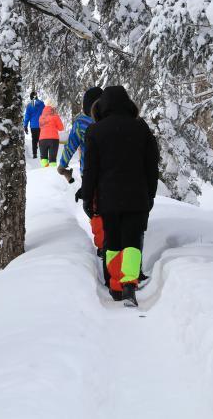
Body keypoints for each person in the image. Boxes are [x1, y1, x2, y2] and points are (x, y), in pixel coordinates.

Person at [81, 85, 159, 307]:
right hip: (137, 197)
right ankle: (129, 284)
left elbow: (90, 170)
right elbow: (152, 165)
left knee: (113, 242)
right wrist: (150, 195)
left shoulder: (95, 131)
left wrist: (88, 198)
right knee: (132, 242)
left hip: (109, 199)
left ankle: (116, 287)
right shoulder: (141, 128)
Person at [58, 86, 104, 252]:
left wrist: (62, 165)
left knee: (92, 207)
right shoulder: (108, 119)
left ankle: (102, 243)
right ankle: (109, 239)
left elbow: (71, 145)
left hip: (89, 173)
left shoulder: (81, 123)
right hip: (111, 172)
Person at [23, 91, 45, 159]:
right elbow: (45, 113)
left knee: (34, 140)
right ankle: (43, 154)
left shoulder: (30, 105)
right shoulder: (42, 104)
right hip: (42, 125)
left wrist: (25, 125)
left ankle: (34, 154)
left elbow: (27, 116)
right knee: (41, 140)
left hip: (34, 126)